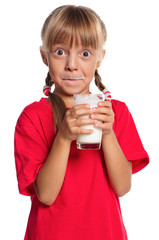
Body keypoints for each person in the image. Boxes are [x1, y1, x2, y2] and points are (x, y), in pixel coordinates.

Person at [14, 5, 149, 240]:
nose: (72, 64)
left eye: (85, 53)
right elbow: (45, 195)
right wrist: (64, 137)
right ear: (44, 56)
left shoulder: (116, 112)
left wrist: (108, 134)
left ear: (99, 58)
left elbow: (123, 187)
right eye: (60, 52)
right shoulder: (33, 117)